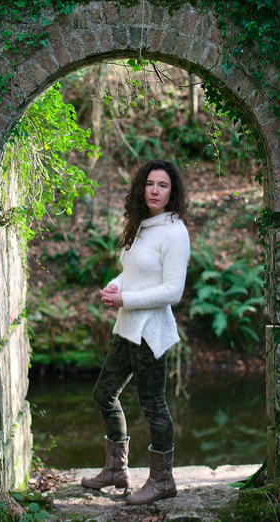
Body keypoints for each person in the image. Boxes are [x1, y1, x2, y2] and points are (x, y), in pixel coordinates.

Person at [81, 159, 190, 505]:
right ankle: (117, 470)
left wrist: (125, 298)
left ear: (173, 193)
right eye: (150, 183)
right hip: (126, 326)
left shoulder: (174, 231)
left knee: (153, 405)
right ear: (142, 187)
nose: (155, 190)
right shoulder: (142, 225)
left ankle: (162, 480)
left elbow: (172, 291)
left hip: (152, 331)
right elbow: (131, 273)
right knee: (104, 393)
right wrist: (115, 288)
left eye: (163, 185)